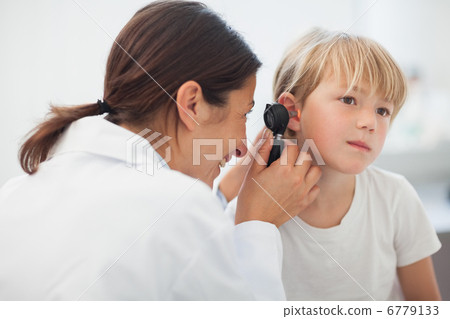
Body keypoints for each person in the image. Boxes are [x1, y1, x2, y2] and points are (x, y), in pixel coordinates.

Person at [0, 1, 322, 300]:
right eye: (244, 114)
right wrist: (256, 224)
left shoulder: (13, 195)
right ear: (192, 103)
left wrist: (222, 202)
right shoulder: (180, 211)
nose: (242, 147)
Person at [219, 29, 442, 300]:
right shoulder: (250, 216)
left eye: (382, 110)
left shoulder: (396, 198)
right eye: (349, 100)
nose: (369, 122)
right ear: (291, 112)